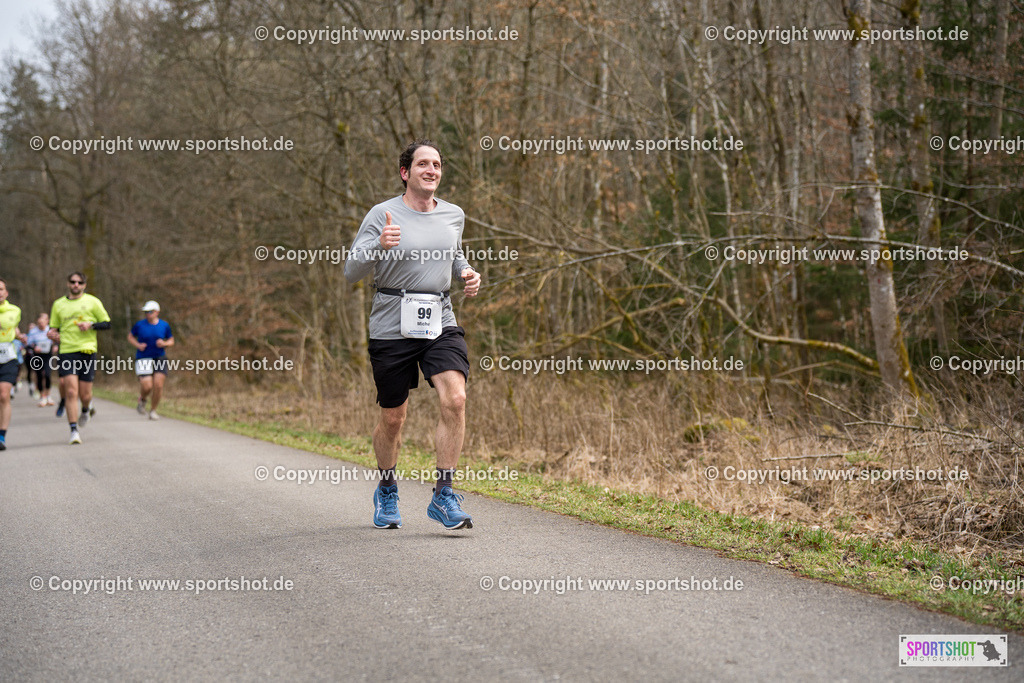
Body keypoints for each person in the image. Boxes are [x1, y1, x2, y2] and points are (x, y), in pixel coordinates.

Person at [344, 140, 481, 530]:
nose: (432, 170)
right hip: (392, 322)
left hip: (440, 317)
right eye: (423, 163)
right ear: (406, 172)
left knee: (455, 397)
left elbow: (454, 256)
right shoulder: (382, 213)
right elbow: (351, 271)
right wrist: (377, 245)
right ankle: (386, 490)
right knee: (393, 417)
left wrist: (467, 275)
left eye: (437, 164)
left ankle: (443, 494)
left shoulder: (454, 215)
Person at [48, 272, 111, 445]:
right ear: (68, 284)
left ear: (84, 285)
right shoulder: (58, 304)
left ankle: (86, 409)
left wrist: (91, 325)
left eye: (79, 282)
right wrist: (52, 334)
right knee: (70, 392)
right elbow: (54, 328)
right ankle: (73, 431)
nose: (76, 284)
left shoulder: (93, 302)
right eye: (73, 282)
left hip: (87, 351)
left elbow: (107, 323)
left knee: (85, 394)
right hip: (67, 351)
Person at [128, 300, 173, 420]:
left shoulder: (164, 325)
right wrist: (138, 345)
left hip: (159, 357)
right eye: (146, 312)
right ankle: (142, 399)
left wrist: (164, 343)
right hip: (143, 357)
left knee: (158, 386)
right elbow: (130, 336)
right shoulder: (139, 325)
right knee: (147, 386)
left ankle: (153, 410)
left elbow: (171, 340)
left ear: (157, 312)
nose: (148, 314)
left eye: (150, 311)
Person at [0, 278, 23, 450]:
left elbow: (6, 324)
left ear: (6, 293)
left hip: (7, 357)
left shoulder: (14, 310)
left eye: (1, 289)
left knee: (4, 394)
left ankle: (2, 435)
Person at [26, 314, 55, 406]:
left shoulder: (51, 330)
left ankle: (48, 395)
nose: (41, 325)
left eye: (43, 322)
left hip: (48, 355)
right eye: (39, 323)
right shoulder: (33, 331)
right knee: (39, 375)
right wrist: (34, 347)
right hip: (37, 356)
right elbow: (28, 344)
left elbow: (57, 340)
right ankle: (43, 397)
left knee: (47, 374)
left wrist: (55, 347)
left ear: (47, 321)